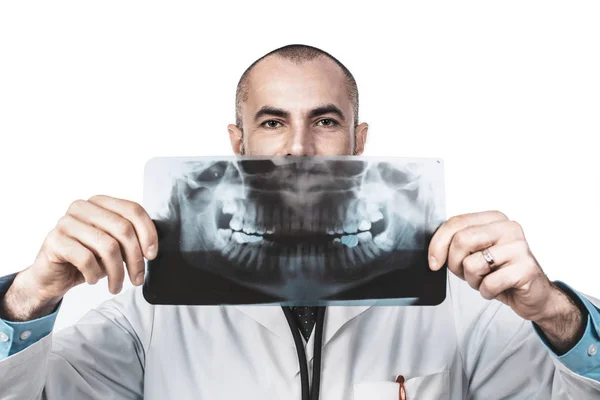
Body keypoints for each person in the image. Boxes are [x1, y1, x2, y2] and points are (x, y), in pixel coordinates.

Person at [0, 44, 598, 399]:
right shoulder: (149, 307)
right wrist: (25, 300)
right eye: (272, 122)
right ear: (236, 143)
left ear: (359, 142)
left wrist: (556, 314)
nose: (298, 150)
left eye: (327, 121)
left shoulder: (460, 301)